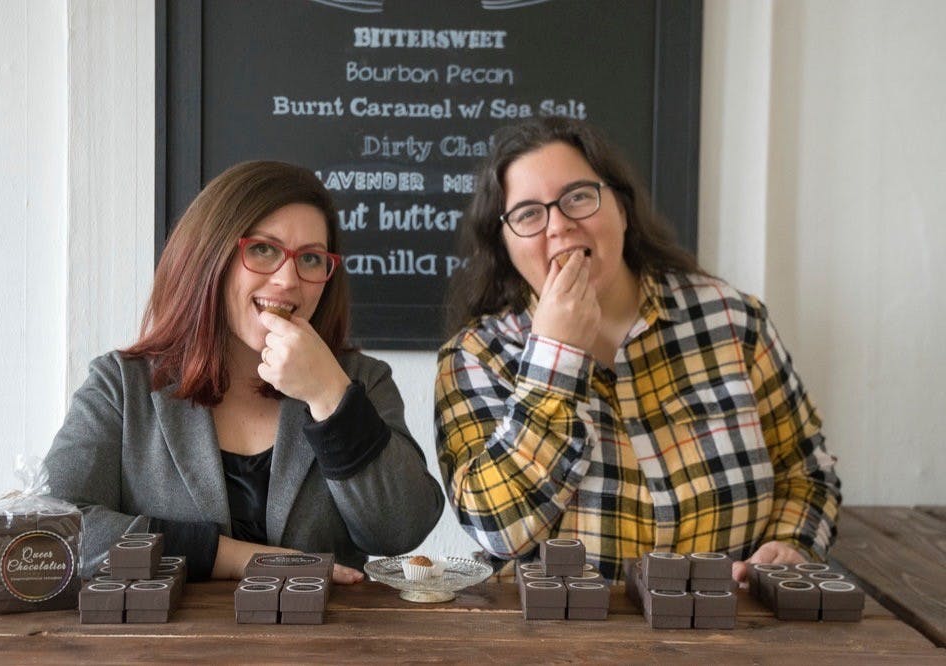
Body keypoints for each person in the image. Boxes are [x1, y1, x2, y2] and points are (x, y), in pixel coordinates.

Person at [435, 117, 840, 583]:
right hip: (558, 627)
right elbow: (496, 530)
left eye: (578, 197)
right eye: (528, 214)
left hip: (729, 619)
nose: (559, 226)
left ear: (623, 210)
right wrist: (555, 357)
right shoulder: (475, 357)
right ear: (505, 246)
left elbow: (806, 471)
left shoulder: (733, 321)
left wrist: (791, 543)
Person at [45, 160, 444, 583]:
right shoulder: (122, 386)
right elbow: (52, 532)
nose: (288, 280)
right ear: (209, 257)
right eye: (263, 249)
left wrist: (330, 397)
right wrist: (232, 556)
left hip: (323, 628)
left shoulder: (358, 381)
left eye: (311, 258)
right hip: (163, 628)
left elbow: (400, 531)